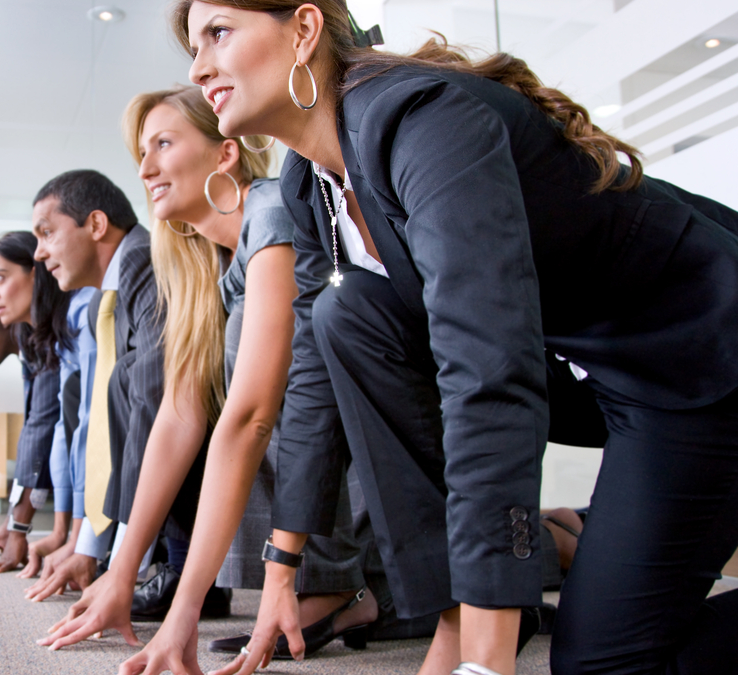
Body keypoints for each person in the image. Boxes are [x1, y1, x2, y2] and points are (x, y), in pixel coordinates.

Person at [141, 2, 738, 675]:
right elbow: (310, 385)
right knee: (348, 317)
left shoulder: (420, 122)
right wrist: (284, 565)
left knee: (603, 664)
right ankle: (455, 616)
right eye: (193, 47)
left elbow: (485, 367)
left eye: (218, 33)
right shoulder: (310, 186)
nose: (198, 67)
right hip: (585, 370)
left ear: (304, 30)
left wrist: (487, 662)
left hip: (698, 357)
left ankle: (485, 626)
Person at [39, 84, 377, 657]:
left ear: (225, 154)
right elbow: (178, 416)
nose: (144, 169)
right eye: (141, 154)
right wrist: (120, 572)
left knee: (248, 393)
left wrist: (185, 608)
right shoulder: (204, 264)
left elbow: (253, 417)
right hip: (332, 463)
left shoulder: (271, 210)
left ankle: (338, 584)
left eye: (163, 144)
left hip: (375, 455)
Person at [25, 169, 210, 607]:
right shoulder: (99, 307)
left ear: (95, 224)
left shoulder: (146, 262)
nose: (38, 252)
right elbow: (104, 427)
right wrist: (89, 549)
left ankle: (182, 569)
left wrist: (123, 568)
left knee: (136, 381)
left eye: (47, 233)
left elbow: (152, 402)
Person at [0, 264, 70, 576]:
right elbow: (34, 429)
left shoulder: (43, 337)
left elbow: (42, 427)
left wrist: (19, 529)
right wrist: (12, 522)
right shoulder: (28, 345)